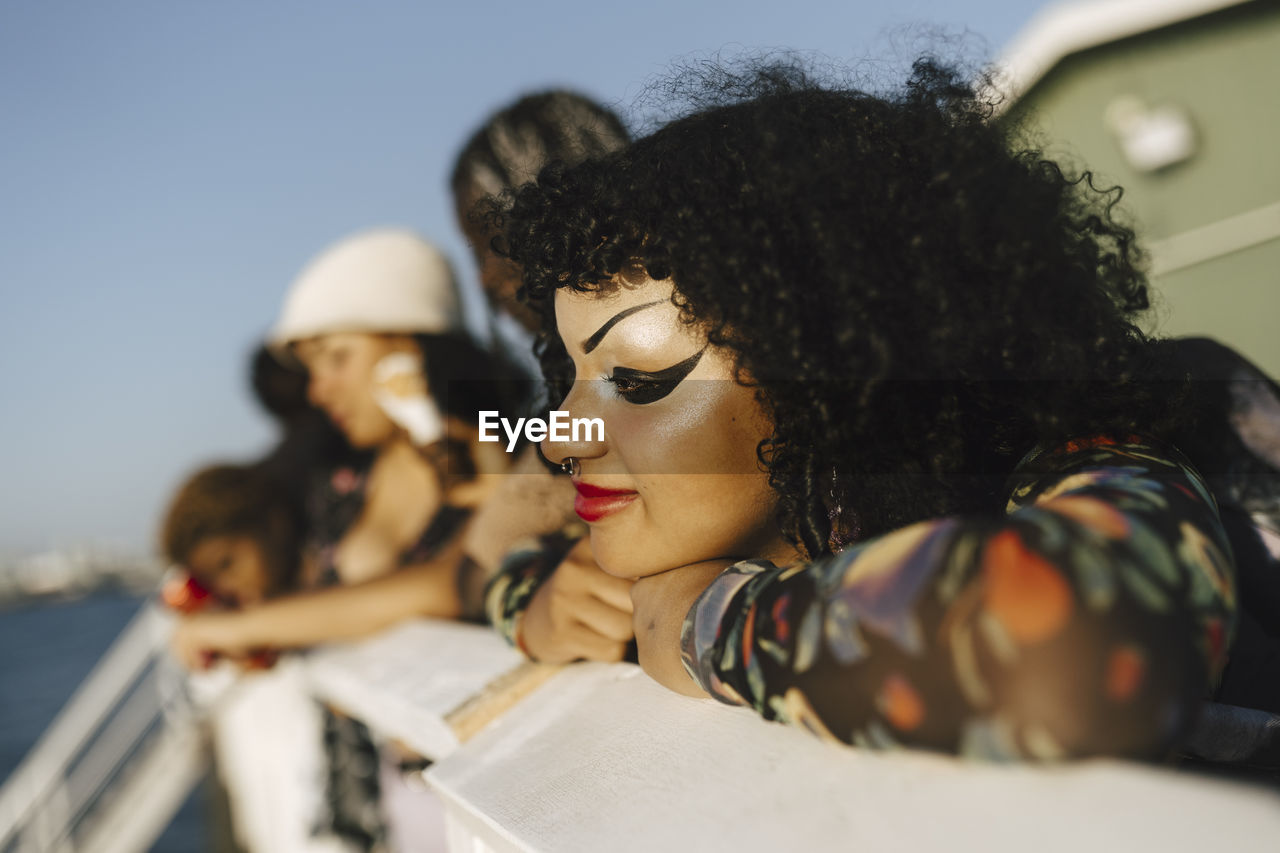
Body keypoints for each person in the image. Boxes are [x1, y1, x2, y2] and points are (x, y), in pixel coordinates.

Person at [496, 60, 1259, 761]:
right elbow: (504, 567)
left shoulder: (1085, 459)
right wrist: (538, 606)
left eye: (635, 378)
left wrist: (712, 621)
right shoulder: (763, 520)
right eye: (570, 373)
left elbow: (1079, 645)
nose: (563, 433)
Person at [449, 90, 639, 663]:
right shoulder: (573, 407)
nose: (482, 279)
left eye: (489, 244)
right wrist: (532, 606)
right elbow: (476, 563)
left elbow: (470, 569)